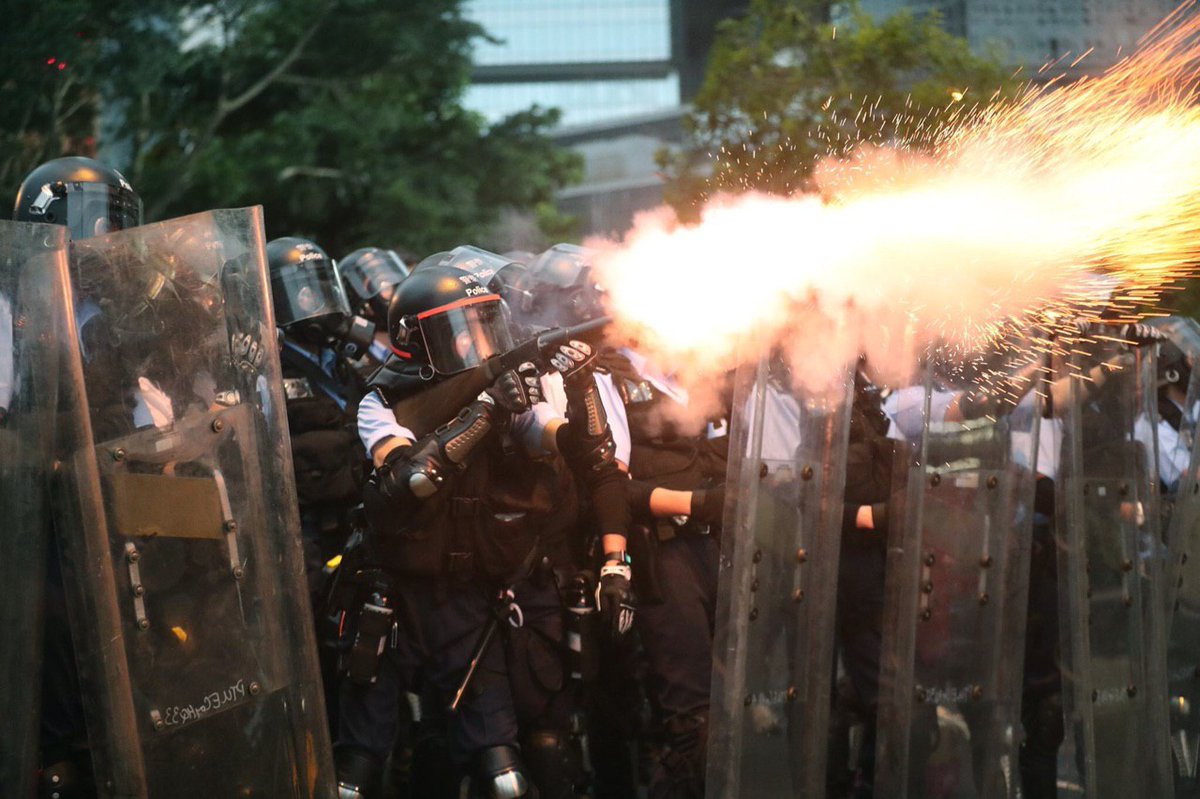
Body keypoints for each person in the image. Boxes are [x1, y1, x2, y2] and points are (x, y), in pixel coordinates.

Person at [335, 262, 632, 798]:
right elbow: (411, 482)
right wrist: (486, 409)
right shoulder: (380, 402)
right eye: (460, 330)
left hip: (465, 598)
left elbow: (575, 447)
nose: (475, 343)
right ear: (417, 341)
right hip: (390, 598)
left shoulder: (507, 395)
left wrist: (581, 382)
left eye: (483, 325)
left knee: (504, 773)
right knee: (356, 770)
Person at [12, 155, 142, 797]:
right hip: (33, 517)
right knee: (55, 638)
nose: (109, 242)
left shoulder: (107, 315)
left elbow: (142, 413)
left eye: (118, 228)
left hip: (107, 505)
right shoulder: (10, 312)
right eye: (99, 224)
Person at [338, 246, 411, 371]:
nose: (395, 289)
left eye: (394, 279)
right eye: (383, 284)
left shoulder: (418, 340)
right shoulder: (353, 366)